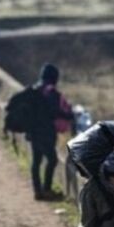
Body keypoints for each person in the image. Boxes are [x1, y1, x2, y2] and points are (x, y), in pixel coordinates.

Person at [26, 63, 72, 201]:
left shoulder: (33, 89)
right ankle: (46, 190)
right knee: (52, 160)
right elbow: (54, 112)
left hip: (33, 131)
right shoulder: (51, 92)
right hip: (46, 132)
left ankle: (37, 191)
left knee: (36, 161)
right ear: (54, 78)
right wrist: (69, 116)